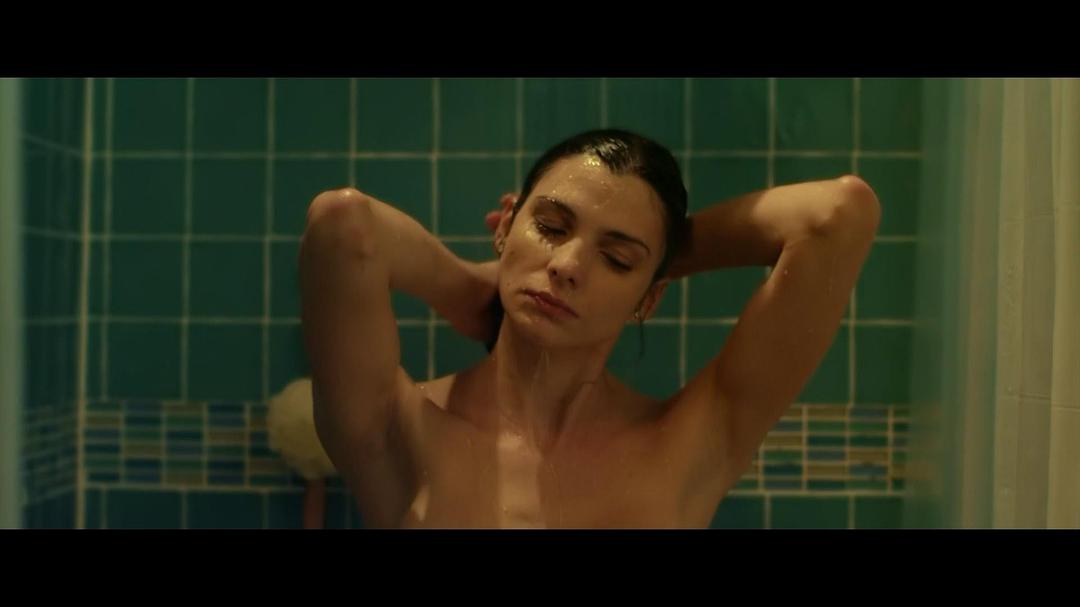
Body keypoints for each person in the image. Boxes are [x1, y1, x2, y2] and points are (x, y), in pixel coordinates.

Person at [299, 129, 880, 528]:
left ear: (650, 297)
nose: (568, 265)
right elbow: (342, 224)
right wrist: (466, 289)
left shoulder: (688, 443)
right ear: (506, 225)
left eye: (617, 259)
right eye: (551, 227)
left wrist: (658, 257)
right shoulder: (398, 429)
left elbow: (838, 214)